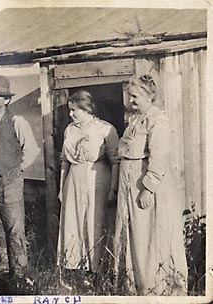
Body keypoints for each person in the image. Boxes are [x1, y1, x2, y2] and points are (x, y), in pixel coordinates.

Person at [114, 75, 188, 295]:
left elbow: (159, 157)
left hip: (145, 186)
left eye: (135, 96)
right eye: (130, 95)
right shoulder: (135, 120)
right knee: (132, 233)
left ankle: (157, 287)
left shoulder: (158, 120)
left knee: (147, 234)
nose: (131, 100)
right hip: (129, 183)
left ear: (149, 96)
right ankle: (133, 285)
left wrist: (148, 188)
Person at [0, 75, 40, 282]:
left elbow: (32, 149)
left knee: (14, 225)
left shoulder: (16, 121)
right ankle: (3, 261)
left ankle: (20, 270)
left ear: (7, 100)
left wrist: (16, 170)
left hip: (8, 180)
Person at [57, 90, 120, 282]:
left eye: (74, 110)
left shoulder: (104, 129)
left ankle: (97, 269)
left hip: (97, 178)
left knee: (95, 221)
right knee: (72, 221)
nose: (71, 114)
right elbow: (64, 161)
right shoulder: (70, 130)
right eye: (70, 110)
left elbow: (116, 160)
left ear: (86, 108)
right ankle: (74, 266)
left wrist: (113, 189)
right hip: (73, 179)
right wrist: (61, 188)